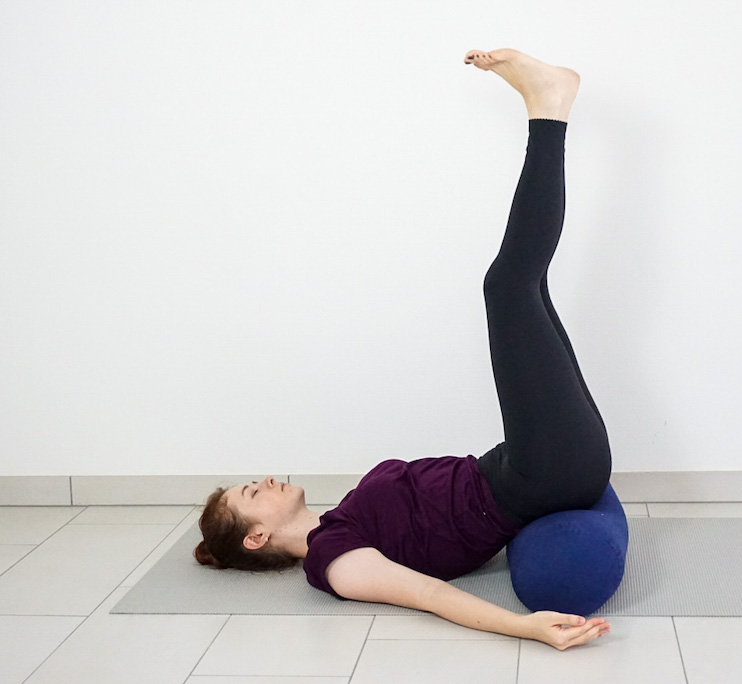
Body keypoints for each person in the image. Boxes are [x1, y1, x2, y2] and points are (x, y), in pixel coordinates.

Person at [194, 48, 613, 651]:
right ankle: (549, 109)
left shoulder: (342, 517)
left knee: (528, 285)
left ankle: (549, 106)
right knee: (508, 286)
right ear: (256, 537)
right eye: (251, 494)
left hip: (532, 460)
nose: (264, 480)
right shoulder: (333, 560)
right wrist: (524, 627)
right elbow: (429, 595)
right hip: (545, 473)